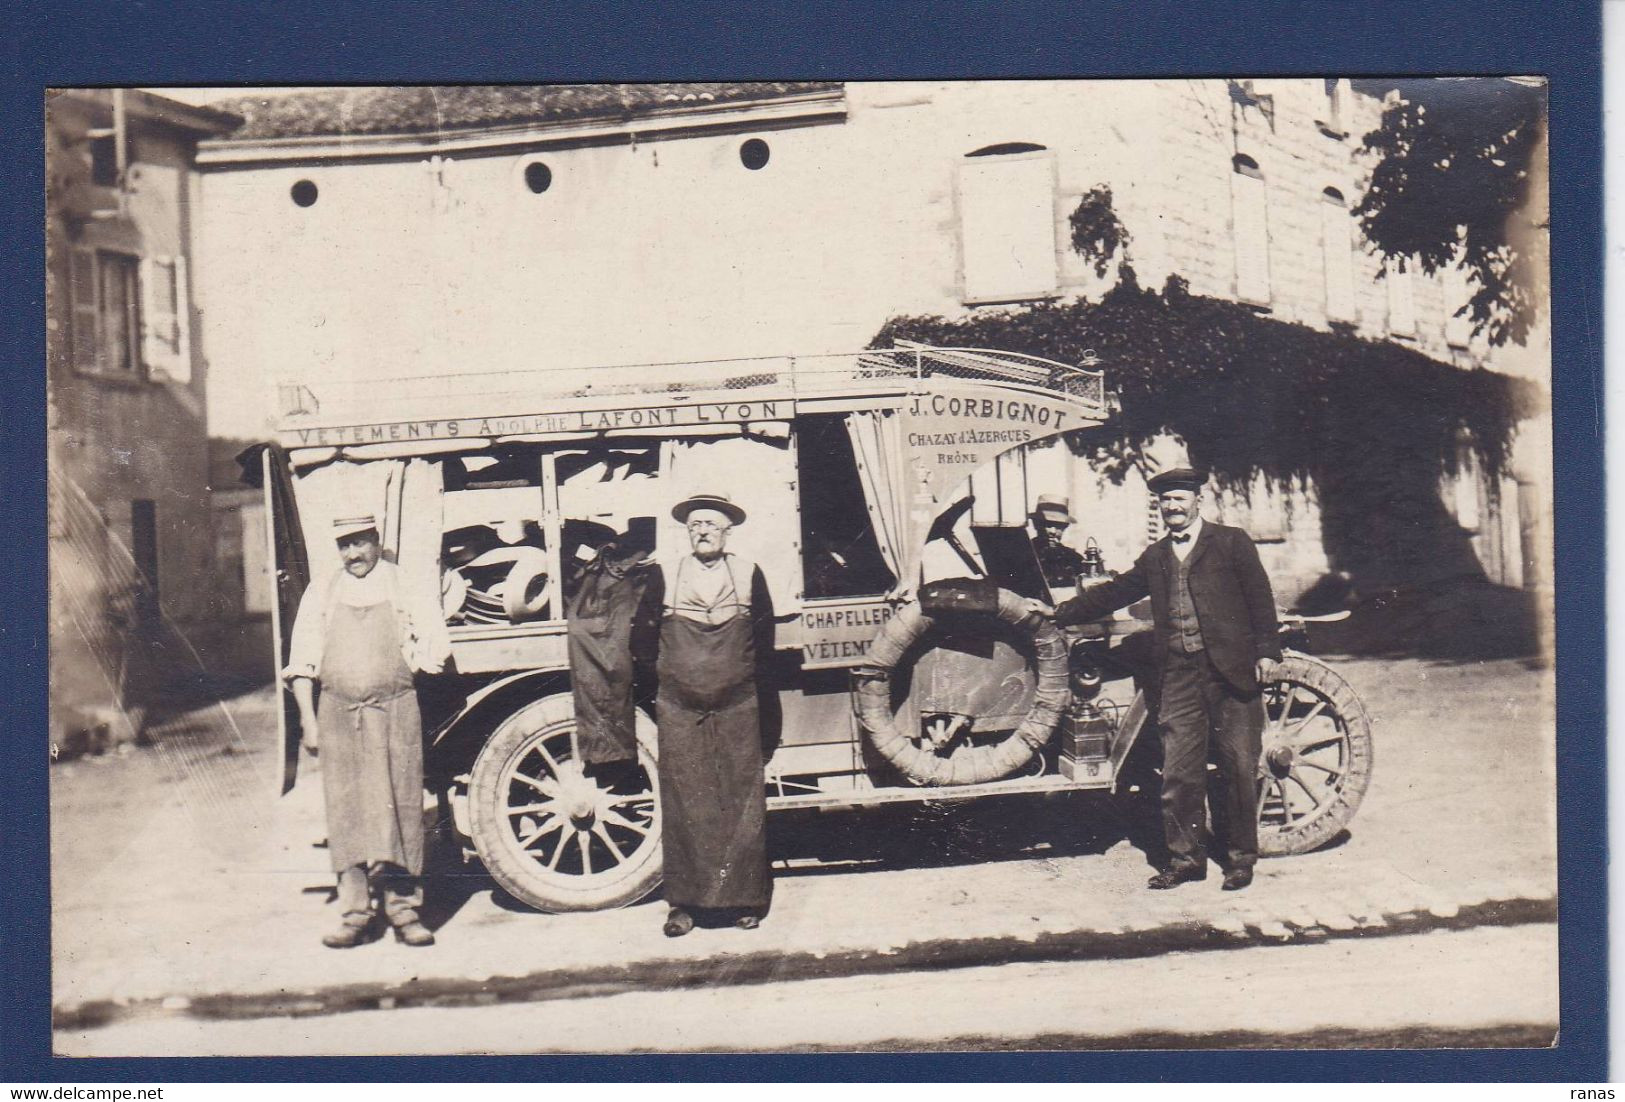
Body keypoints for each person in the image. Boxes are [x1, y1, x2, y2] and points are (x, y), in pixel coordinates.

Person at [1044, 469, 1281, 892]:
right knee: (1179, 771)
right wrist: (1059, 612)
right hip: (1179, 674)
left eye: (1179, 499)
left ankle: (1240, 860)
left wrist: (1266, 651)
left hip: (1230, 672)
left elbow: (1261, 600)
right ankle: (1187, 859)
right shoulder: (1155, 556)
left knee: (1237, 767)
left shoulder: (1231, 542)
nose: (1172, 506)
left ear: (1196, 501)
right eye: (1165, 501)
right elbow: (1115, 591)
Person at [285, 516, 452, 948]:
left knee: (400, 809)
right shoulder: (322, 590)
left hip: (395, 712)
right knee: (346, 814)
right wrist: (309, 719)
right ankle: (356, 913)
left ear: (376, 540)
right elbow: (302, 660)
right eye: (345, 546)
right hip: (338, 714)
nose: (353, 554)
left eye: (360, 543)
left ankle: (403, 910)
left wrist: (398, 677)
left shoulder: (403, 586)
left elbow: (434, 648)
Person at [633, 492, 774, 937]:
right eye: (695, 525)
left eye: (711, 524)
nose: (703, 531)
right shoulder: (664, 575)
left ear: (728, 531)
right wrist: (669, 684)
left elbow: (764, 643)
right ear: (687, 532)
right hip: (679, 707)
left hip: (738, 706)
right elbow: (641, 641)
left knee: (741, 799)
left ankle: (745, 901)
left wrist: (747, 692)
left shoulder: (750, 574)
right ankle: (683, 905)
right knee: (684, 799)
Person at [1031, 494, 1088, 590]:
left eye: (1058, 526)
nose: (1053, 531)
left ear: (1065, 527)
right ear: (1036, 525)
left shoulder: (1075, 559)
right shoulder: (1024, 554)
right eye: (1048, 525)